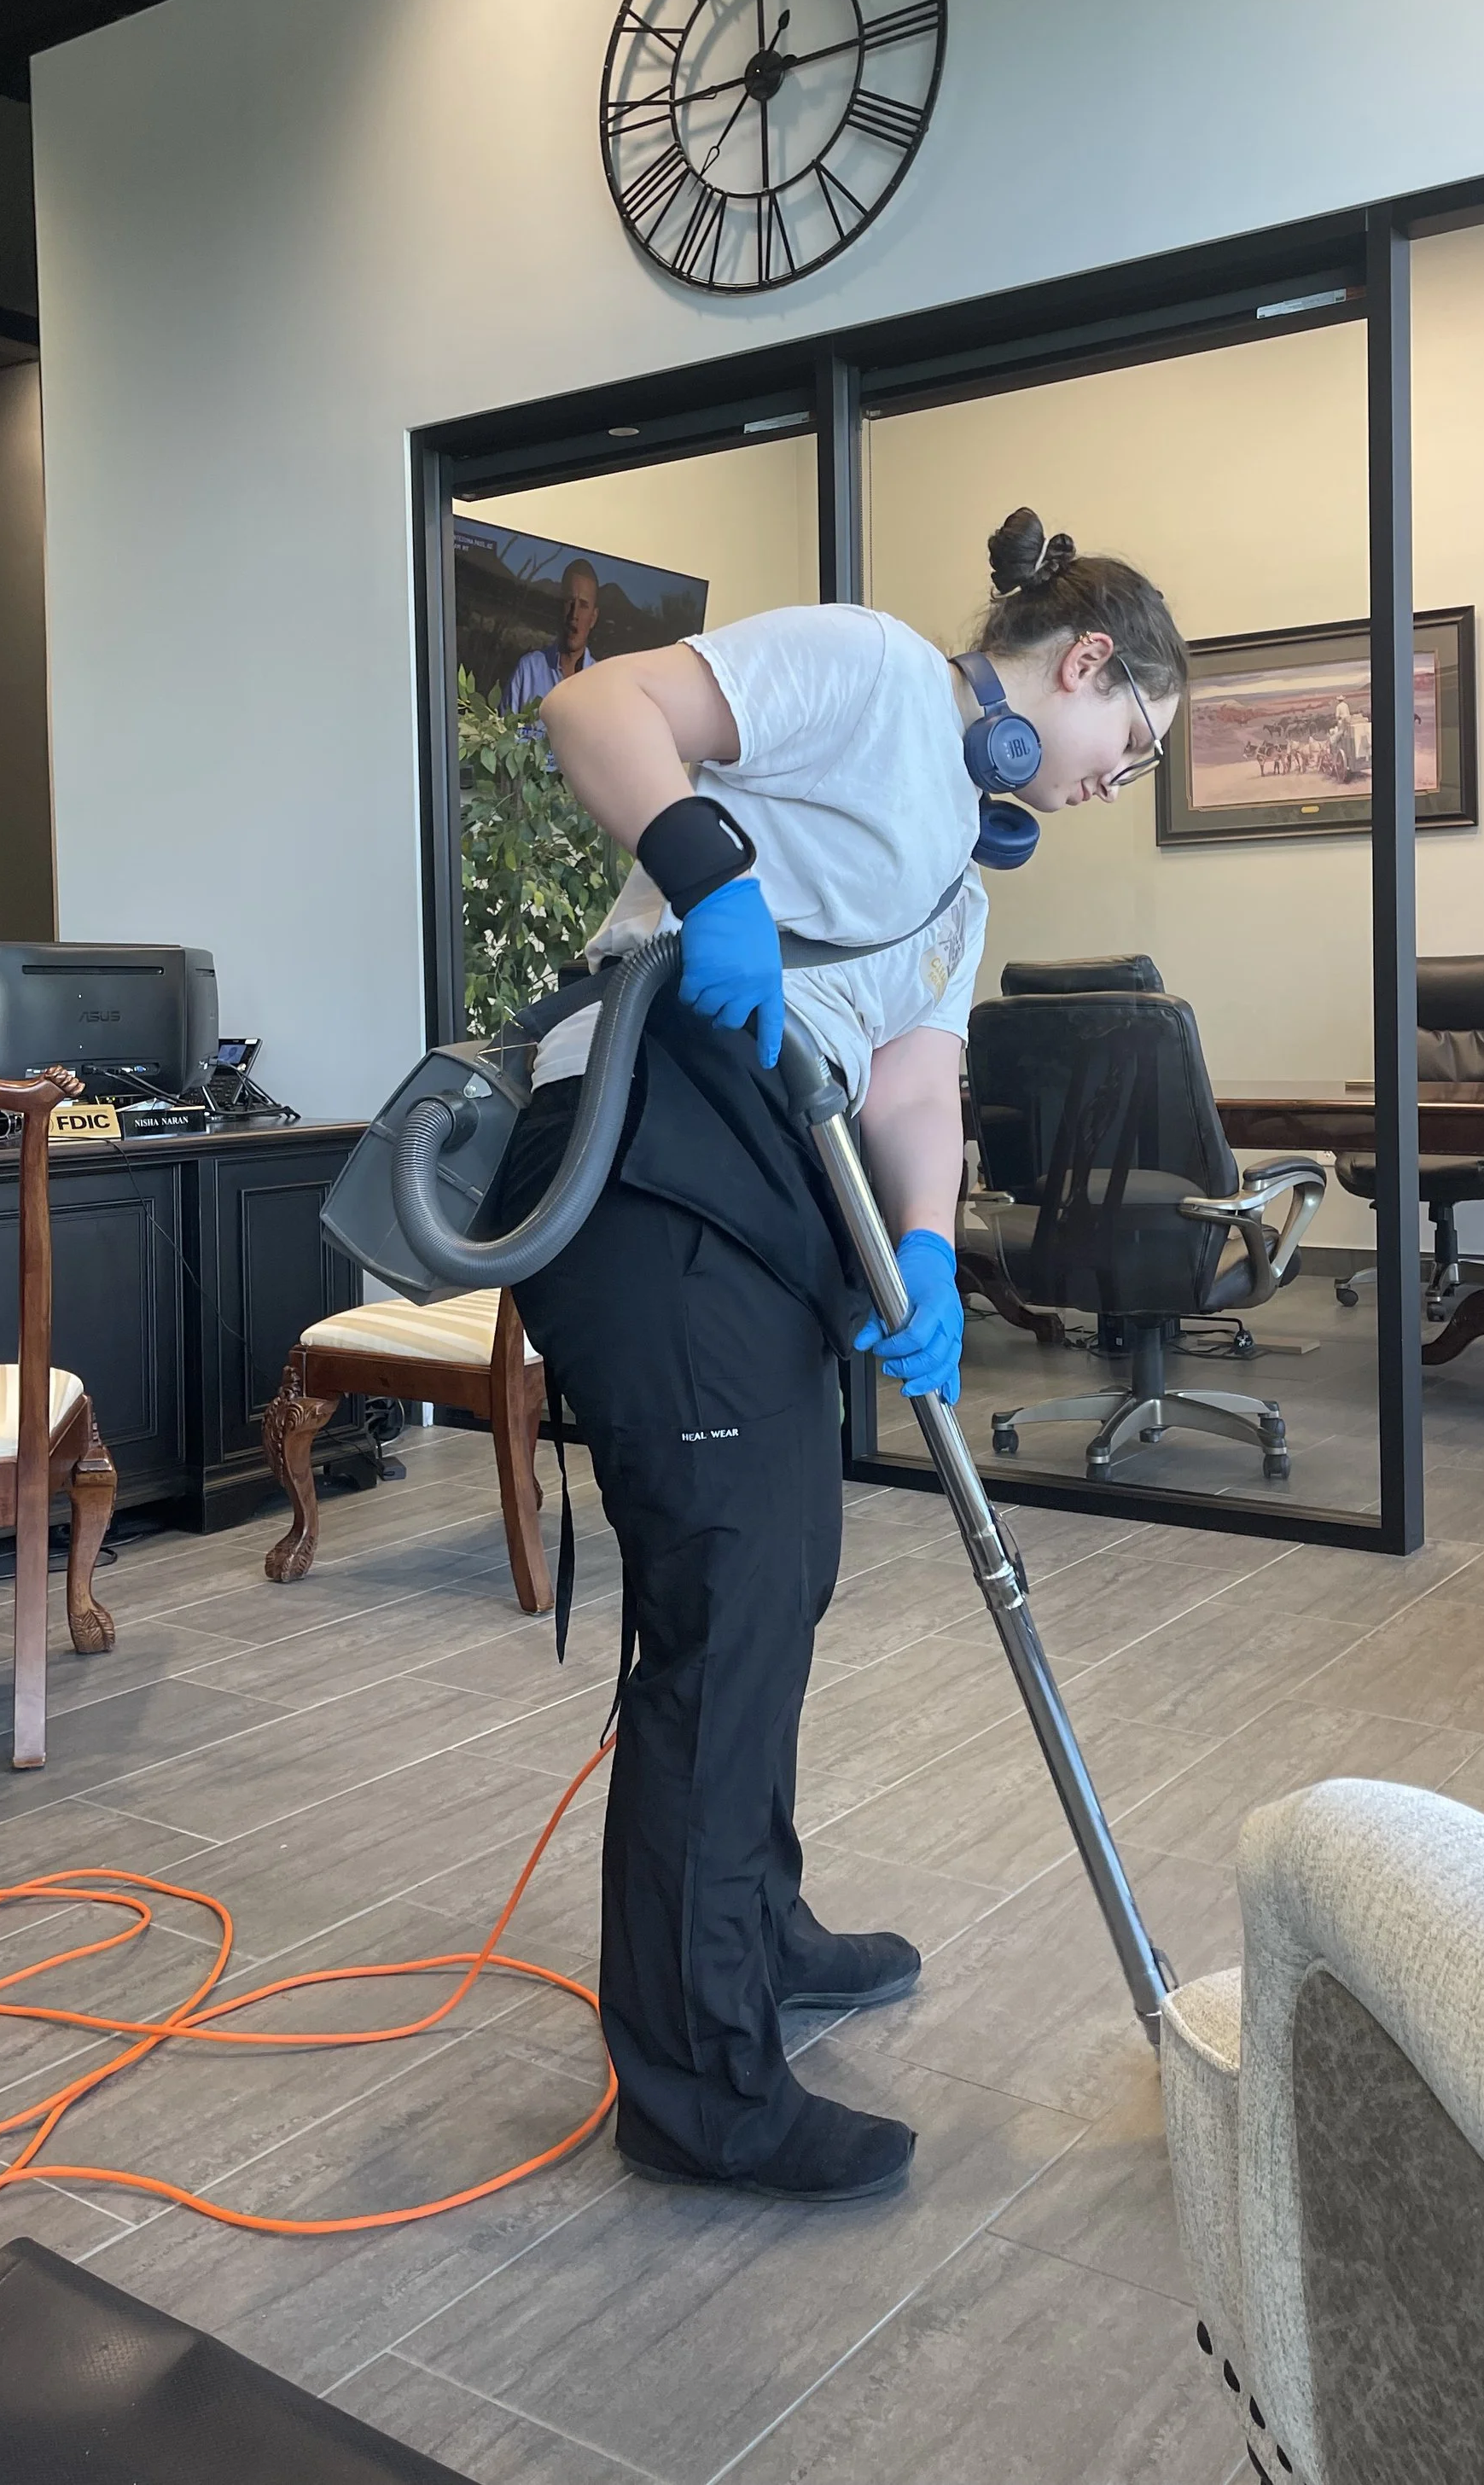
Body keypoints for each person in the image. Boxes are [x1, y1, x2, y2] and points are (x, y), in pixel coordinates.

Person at [489, 507, 1188, 2206]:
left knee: (782, 1571)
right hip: (645, 1138)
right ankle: (698, 2080)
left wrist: (931, 1252)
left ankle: (756, 1927)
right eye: (1133, 740)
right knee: (727, 1590)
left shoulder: (957, 868)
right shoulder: (872, 673)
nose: (1120, 774)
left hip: (774, 1185)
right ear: (1081, 663)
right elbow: (593, 713)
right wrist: (712, 882)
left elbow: (912, 1088)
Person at [504, 558, 602, 721]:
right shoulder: (528, 672)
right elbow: (501, 738)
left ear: (593, 617)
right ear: (559, 606)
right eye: (570, 602)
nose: (574, 614)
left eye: (583, 605)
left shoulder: (602, 684)